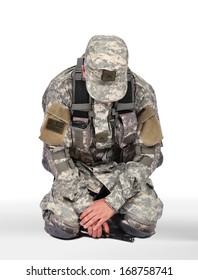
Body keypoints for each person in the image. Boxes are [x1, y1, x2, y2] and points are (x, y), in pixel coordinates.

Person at [39, 35, 164, 241]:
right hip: (78, 176)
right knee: (62, 225)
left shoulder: (142, 92)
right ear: (85, 69)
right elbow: (55, 152)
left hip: (122, 177)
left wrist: (112, 202)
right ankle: (97, 217)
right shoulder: (61, 90)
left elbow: (149, 153)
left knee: (142, 224)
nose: (106, 97)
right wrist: (86, 208)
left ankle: (110, 215)